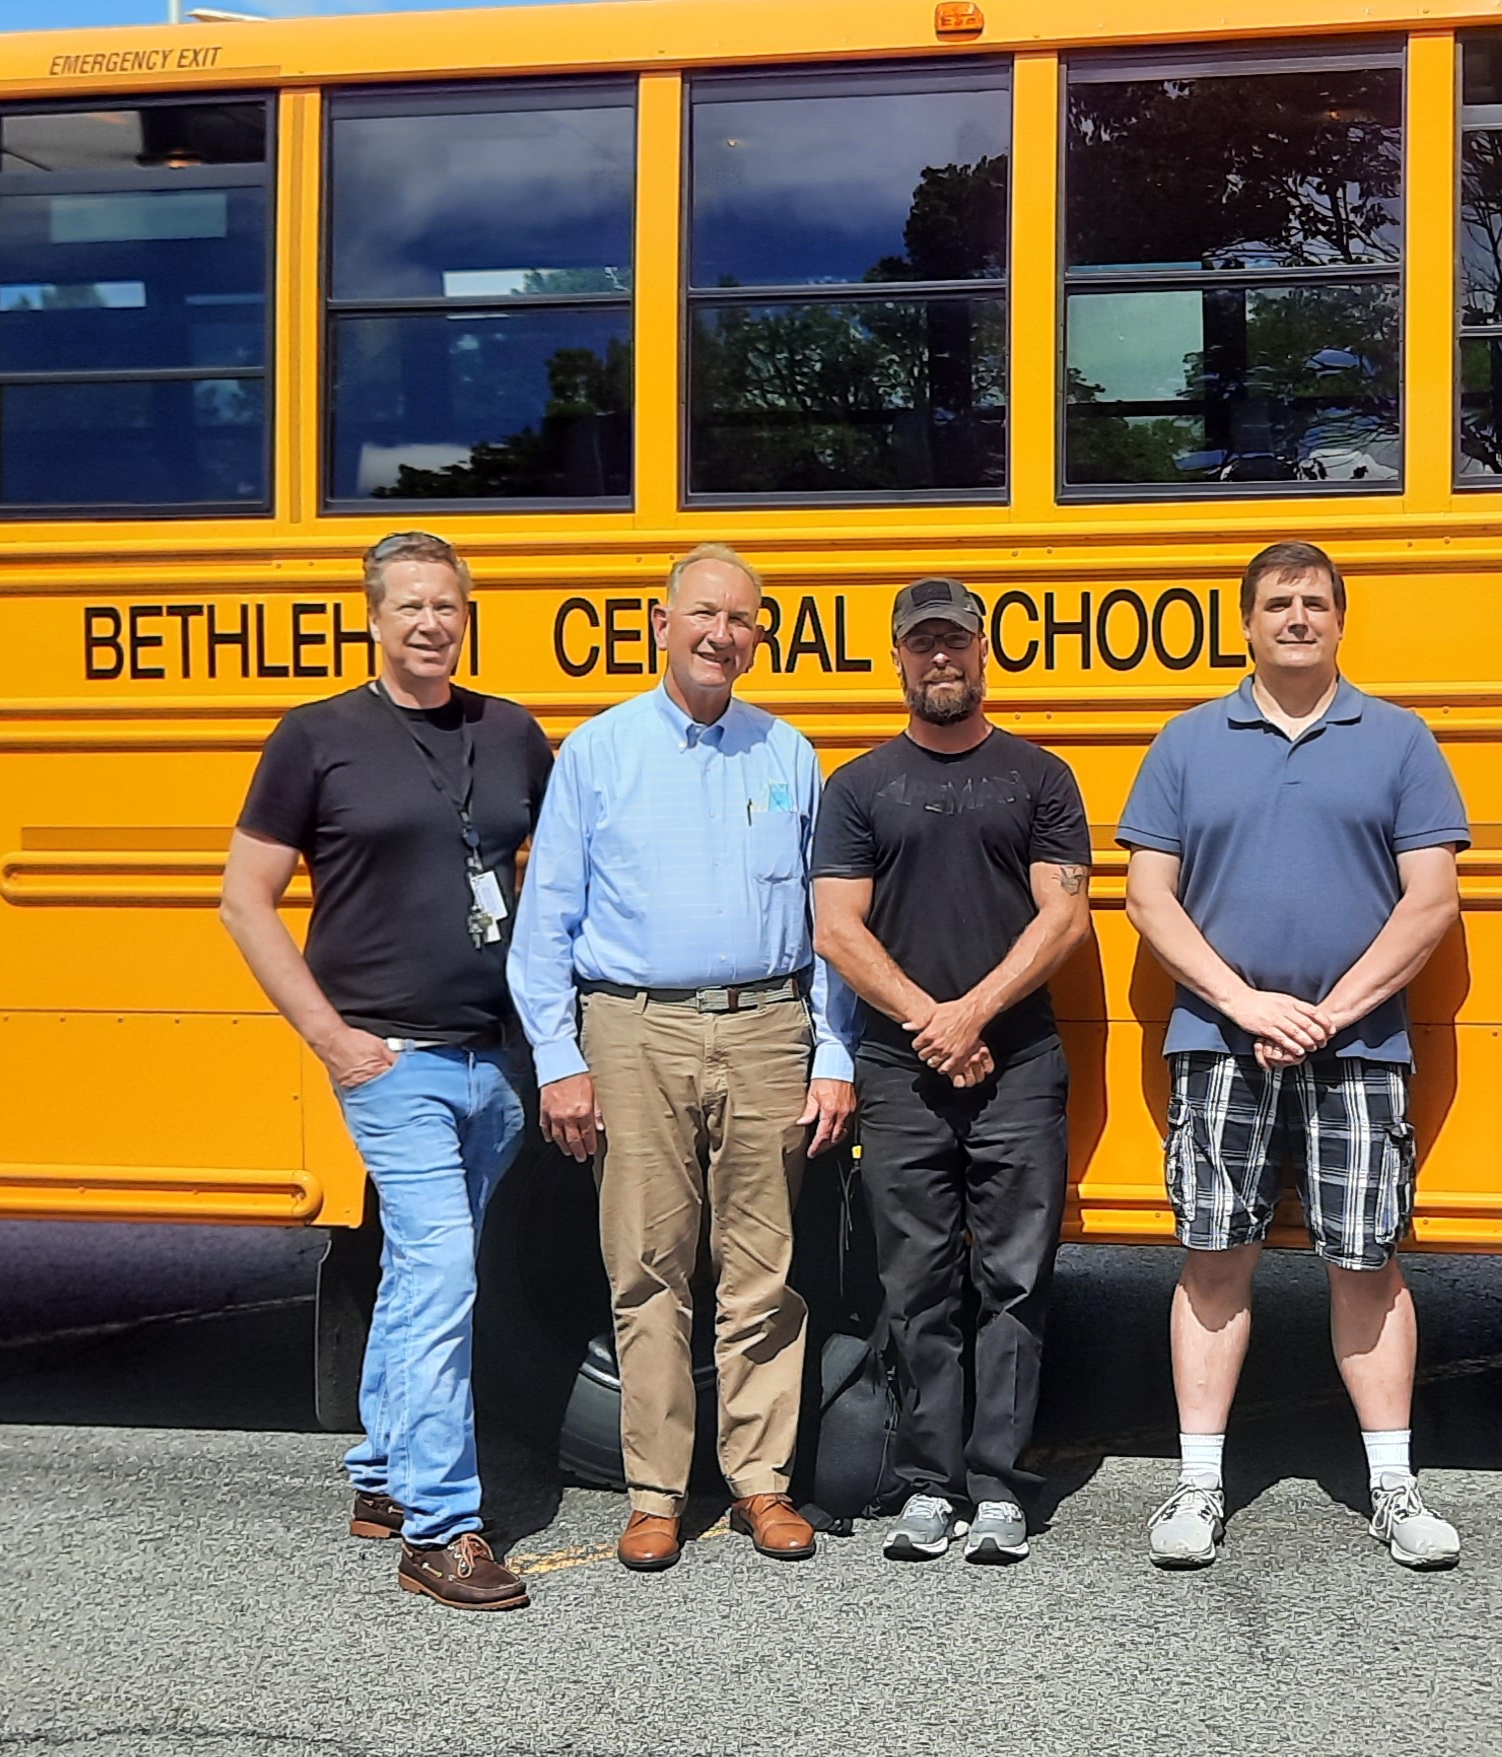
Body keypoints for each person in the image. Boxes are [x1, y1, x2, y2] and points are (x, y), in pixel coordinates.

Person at [1118, 540, 1470, 1573]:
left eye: (1316, 600)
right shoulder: (1186, 742)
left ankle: (1395, 1487)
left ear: (1340, 619)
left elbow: (1432, 898)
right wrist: (1242, 1001)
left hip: (1358, 1045)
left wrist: (1329, 1008)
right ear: (1246, 623)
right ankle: (1194, 1484)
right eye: (1279, 601)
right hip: (1219, 1041)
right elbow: (1148, 896)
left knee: (1364, 1260)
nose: (1298, 616)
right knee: (1214, 1255)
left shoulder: (1399, 740)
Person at [508, 544, 856, 1572]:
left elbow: (823, 924)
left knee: (762, 1270)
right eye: (703, 613)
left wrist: (832, 1049)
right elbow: (546, 925)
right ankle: (655, 1492)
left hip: (766, 1024)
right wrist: (558, 1060)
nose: (722, 634)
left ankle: (760, 1483)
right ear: (661, 623)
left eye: (742, 618)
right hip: (633, 1027)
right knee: (646, 1267)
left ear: (760, 633)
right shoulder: (598, 753)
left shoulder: (788, 754)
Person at [220, 531, 552, 1612]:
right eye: (409, 604)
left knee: (423, 1273)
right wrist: (329, 1036)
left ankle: (377, 1472)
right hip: (390, 1057)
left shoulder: (509, 733)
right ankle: (441, 1525)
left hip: (492, 1057)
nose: (429, 622)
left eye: (446, 605)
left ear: (467, 615)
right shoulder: (315, 738)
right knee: (446, 1266)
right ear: (372, 617)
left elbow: (545, 886)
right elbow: (245, 899)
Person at [811, 576, 1092, 1565]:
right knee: (918, 1274)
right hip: (900, 1066)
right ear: (896, 656)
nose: (941, 658)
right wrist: (929, 1020)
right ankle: (931, 1482)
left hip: (1017, 1060)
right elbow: (835, 927)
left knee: (1013, 1276)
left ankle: (999, 1486)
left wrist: (969, 1014)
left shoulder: (1038, 777)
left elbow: (1064, 915)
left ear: (985, 652)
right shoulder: (857, 787)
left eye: (956, 641)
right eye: (922, 642)